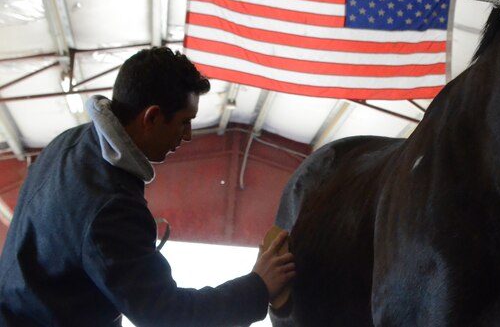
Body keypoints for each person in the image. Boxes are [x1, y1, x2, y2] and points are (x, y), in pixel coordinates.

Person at [0, 47, 295, 326]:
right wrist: (258, 286)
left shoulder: (71, 142)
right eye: (184, 122)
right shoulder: (110, 205)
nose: (188, 135)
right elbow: (166, 316)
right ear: (151, 117)